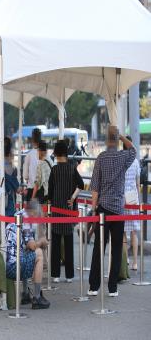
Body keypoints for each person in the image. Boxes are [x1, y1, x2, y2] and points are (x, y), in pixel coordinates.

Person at [88, 126, 136, 297]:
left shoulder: (100, 158)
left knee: (98, 248)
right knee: (116, 248)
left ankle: (94, 286)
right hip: (118, 210)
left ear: (106, 141)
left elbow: (94, 186)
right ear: (116, 141)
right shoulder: (124, 157)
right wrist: (121, 136)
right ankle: (113, 288)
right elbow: (133, 149)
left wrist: (94, 208)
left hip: (102, 209)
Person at [48, 140, 84, 283]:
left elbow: (50, 192)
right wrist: (72, 198)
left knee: (56, 243)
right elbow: (81, 184)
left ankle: (55, 274)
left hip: (56, 210)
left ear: (56, 153)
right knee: (68, 244)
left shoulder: (54, 170)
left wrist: (49, 205)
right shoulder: (71, 168)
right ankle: (69, 275)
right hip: (68, 210)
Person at [6, 199, 50, 309]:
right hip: (14, 266)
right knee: (38, 254)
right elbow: (32, 245)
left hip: (6, 262)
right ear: (33, 212)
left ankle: (25, 293)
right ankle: (37, 297)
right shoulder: (26, 221)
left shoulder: (18, 214)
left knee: (27, 252)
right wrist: (42, 241)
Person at [123, 136, 140, 271]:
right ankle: (135, 262)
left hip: (122, 198)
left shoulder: (121, 161)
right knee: (134, 231)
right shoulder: (135, 162)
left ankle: (125, 260)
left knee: (122, 231)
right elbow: (137, 183)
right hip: (133, 199)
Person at [23, 128, 41, 202]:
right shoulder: (46, 155)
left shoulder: (29, 155)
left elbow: (25, 176)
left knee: (31, 213)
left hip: (31, 189)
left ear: (32, 140)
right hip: (43, 191)